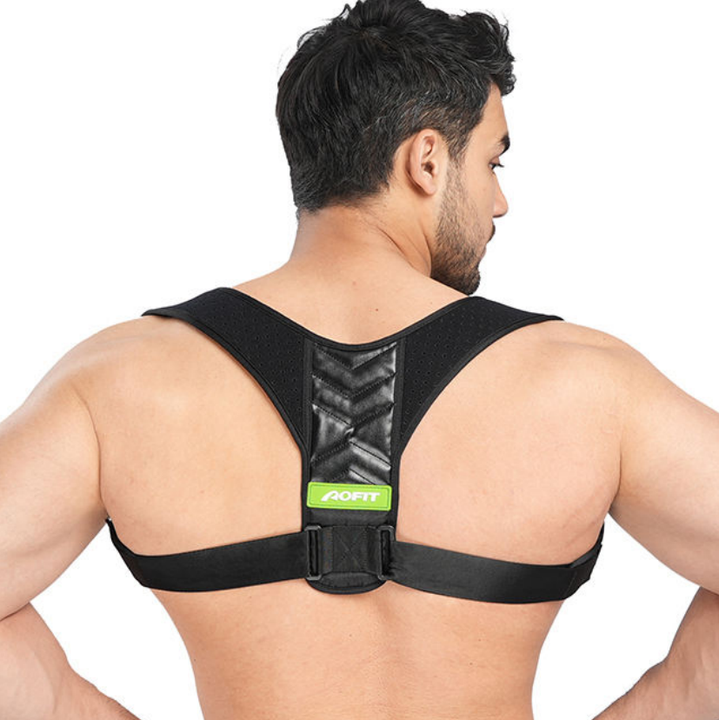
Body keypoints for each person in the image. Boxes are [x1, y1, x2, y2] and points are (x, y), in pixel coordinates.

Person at [1, 1, 719, 718]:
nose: (498, 202)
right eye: (491, 162)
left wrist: (63, 704)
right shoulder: (588, 386)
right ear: (427, 160)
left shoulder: (118, 382)